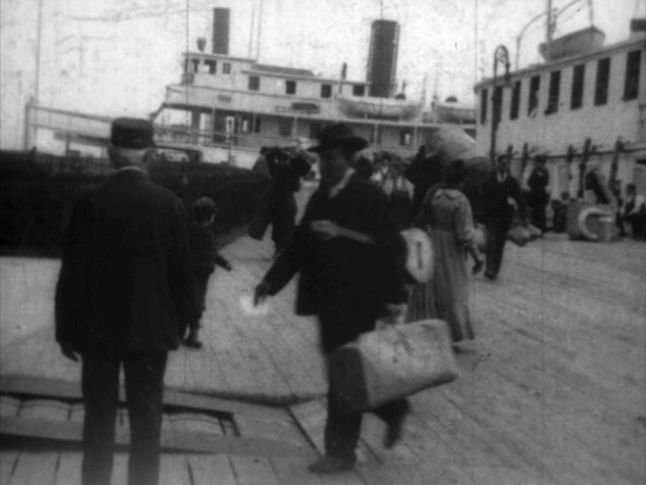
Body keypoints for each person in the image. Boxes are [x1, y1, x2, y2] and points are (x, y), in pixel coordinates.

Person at [253, 123, 409, 474]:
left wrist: (392, 298)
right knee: (346, 372)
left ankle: (340, 452)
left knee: (343, 374)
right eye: (322, 158)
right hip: (326, 299)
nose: (325, 165)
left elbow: (392, 248)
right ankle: (392, 408)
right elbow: (298, 246)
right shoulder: (322, 195)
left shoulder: (369, 195)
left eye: (333, 158)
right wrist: (270, 282)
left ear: (350, 158)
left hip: (359, 299)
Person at [55, 118, 197, 485]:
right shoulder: (170, 204)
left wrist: (65, 332)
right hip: (151, 332)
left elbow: (73, 274)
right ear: (148, 154)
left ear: (110, 153)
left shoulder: (90, 203)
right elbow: (183, 274)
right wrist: (181, 324)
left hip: (97, 331)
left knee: (98, 419)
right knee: (147, 420)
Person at [406, 159, 482, 348]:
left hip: (433, 241)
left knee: (430, 287)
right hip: (451, 247)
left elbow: (424, 218)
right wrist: (477, 257)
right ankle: (450, 331)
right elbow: (464, 234)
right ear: (462, 179)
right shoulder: (461, 201)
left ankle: (426, 329)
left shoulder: (435, 195)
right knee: (452, 287)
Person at [184, 196, 233, 349]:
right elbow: (211, 252)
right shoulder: (201, 232)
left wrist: (224, 263)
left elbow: (212, 252)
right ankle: (191, 334)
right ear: (210, 215)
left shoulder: (195, 230)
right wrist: (223, 263)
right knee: (195, 303)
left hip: (199, 272)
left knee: (194, 302)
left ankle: (190, 334)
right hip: (198, 272)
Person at [482, 154, 527, 280]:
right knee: (491, 242)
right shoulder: (490, 179)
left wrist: (524, 216)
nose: (504, 166)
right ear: (498, 164)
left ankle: (495, 270)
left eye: (506, 164)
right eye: (502, 163)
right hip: (491, 217)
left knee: (499, 244)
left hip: (504, 217)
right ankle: (489, 268)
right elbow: (483, 197)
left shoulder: (512, 182)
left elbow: (520, 198)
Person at [527, 154, 550, 233]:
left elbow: (531, 181)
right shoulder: (537, 170)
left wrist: (535, 182)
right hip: (536, 194)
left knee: (540, 213)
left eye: (535, 162)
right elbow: (529, 181)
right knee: (536, 213)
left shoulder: (541, 170)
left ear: (539, 162)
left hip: (539, 194)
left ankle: (541, 230)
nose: (534, 163)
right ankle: (538, 229)